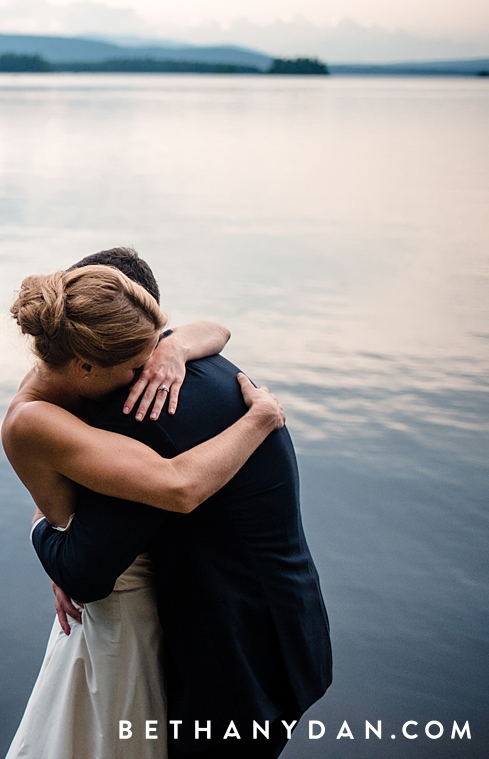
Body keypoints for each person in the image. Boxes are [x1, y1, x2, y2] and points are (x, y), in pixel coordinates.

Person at [28, 248, 331, 759]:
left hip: (231, 663)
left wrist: (43, 525)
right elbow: (215, 330)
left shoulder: (138, 415)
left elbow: (84, 570)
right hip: (292, 622)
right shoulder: (213, 369)